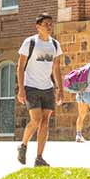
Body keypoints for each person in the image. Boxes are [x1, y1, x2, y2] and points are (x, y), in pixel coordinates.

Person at [14, 13, 64, 167]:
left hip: (47, 87)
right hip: (31, 86)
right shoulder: (30, 42)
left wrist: (60, 89)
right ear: (38, 26)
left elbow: (56, 68)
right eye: (46, 24)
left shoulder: (55, 45)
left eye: (51, 24)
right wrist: (21, 89)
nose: (49, 26)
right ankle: (23, 145)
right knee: (36, 120)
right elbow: (20, 67)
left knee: (45, 123)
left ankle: (39, 157)